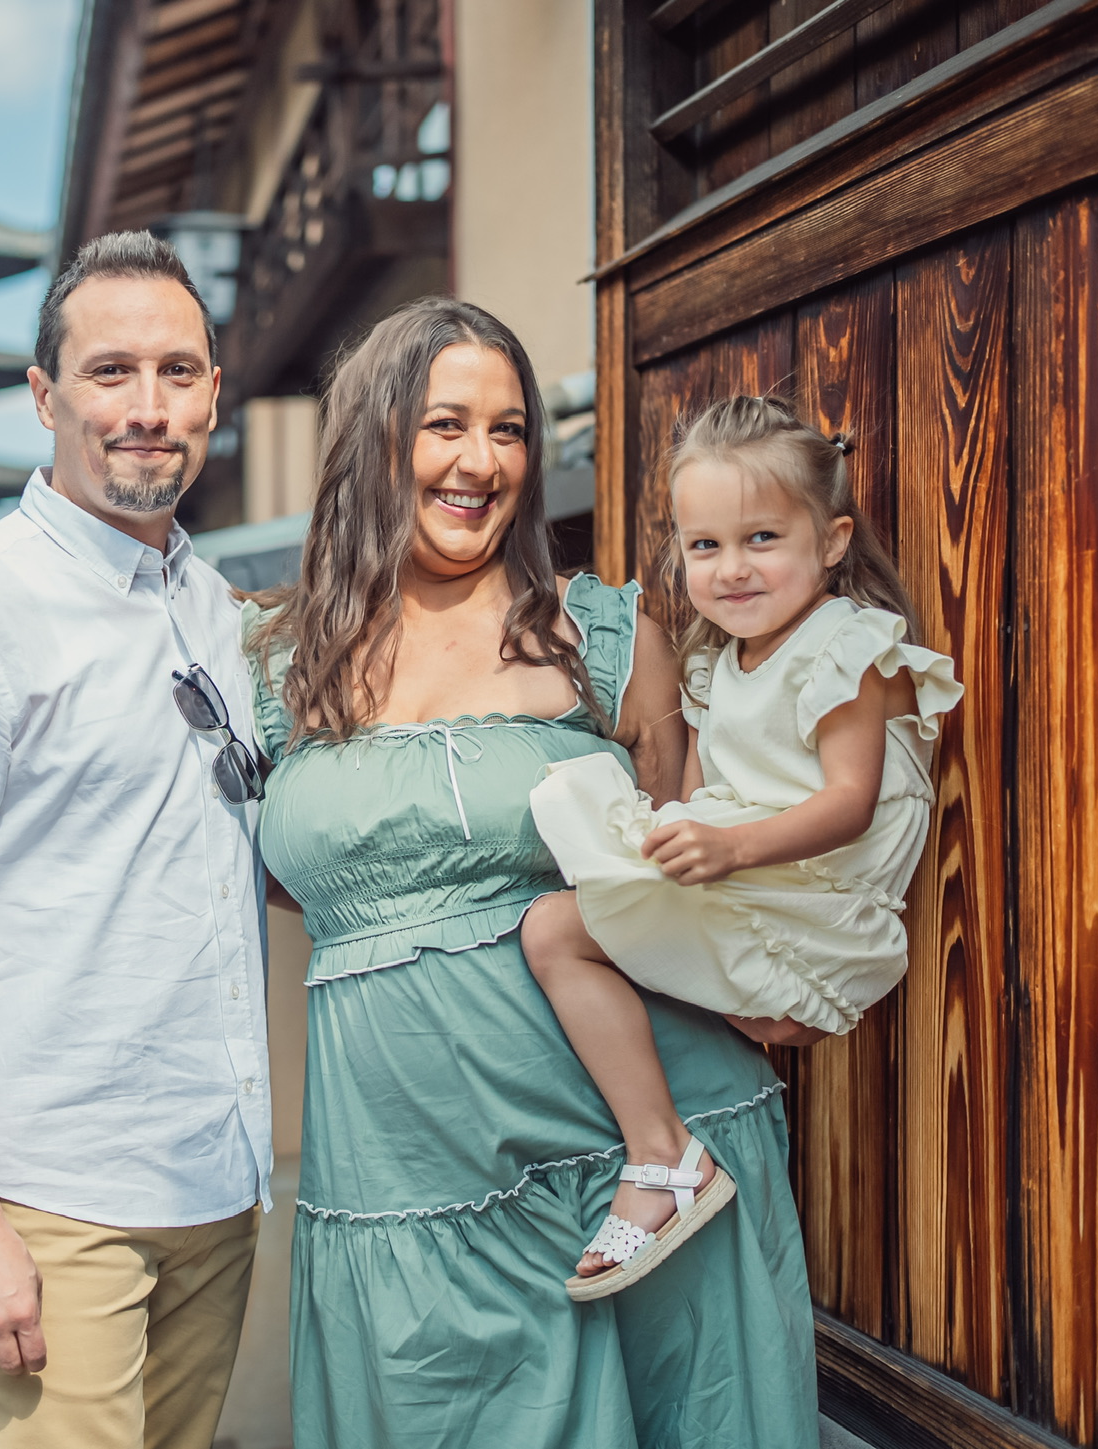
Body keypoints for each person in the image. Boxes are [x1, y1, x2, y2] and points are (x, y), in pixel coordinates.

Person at [245, 298, 818, 1448]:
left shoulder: (599, 635)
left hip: (635, 1171)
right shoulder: (272, 663)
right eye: (444, 423)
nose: (482, 461)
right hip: (400, 1175)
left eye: (509, 431)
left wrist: (783, 973)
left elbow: (688, 848)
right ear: (373, 438)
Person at [0, 231, 269, 1449]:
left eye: (178, 373)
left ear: (214, 396)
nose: (147, 407)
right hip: (51, 1198)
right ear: (44, 396)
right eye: (109, 372)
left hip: (213, 1178)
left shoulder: (212, 605)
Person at [523, 394, 962, 1299]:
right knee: (578, 851)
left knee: (554, 932)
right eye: (705, 545)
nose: (731, 569)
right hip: (754, 881)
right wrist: (668, 838)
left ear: (832, 541)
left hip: (809, 903)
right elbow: (701, 794)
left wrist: (725, 852)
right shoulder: (718, 658)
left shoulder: (843, 647)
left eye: (763, 538)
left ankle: (663, 1155)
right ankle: (657, 1140)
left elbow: (849, 803)